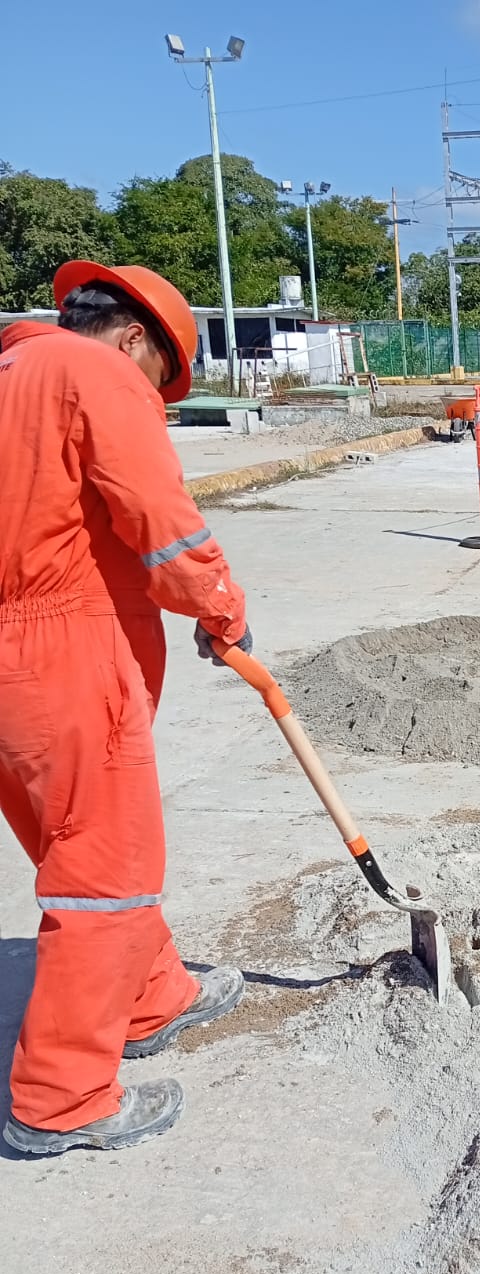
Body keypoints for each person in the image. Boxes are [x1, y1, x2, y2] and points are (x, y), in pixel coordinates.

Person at [0, 260, 252, 1155]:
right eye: (161, 383)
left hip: (14, 667)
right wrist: (221, 606)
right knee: (105, 872)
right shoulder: (94, 373)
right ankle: (60, 1100)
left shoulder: (13, 371)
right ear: (135, 338)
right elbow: (161, 514)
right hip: (59, 656)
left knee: (72, 844)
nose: (155, 401)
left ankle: (154, 996)